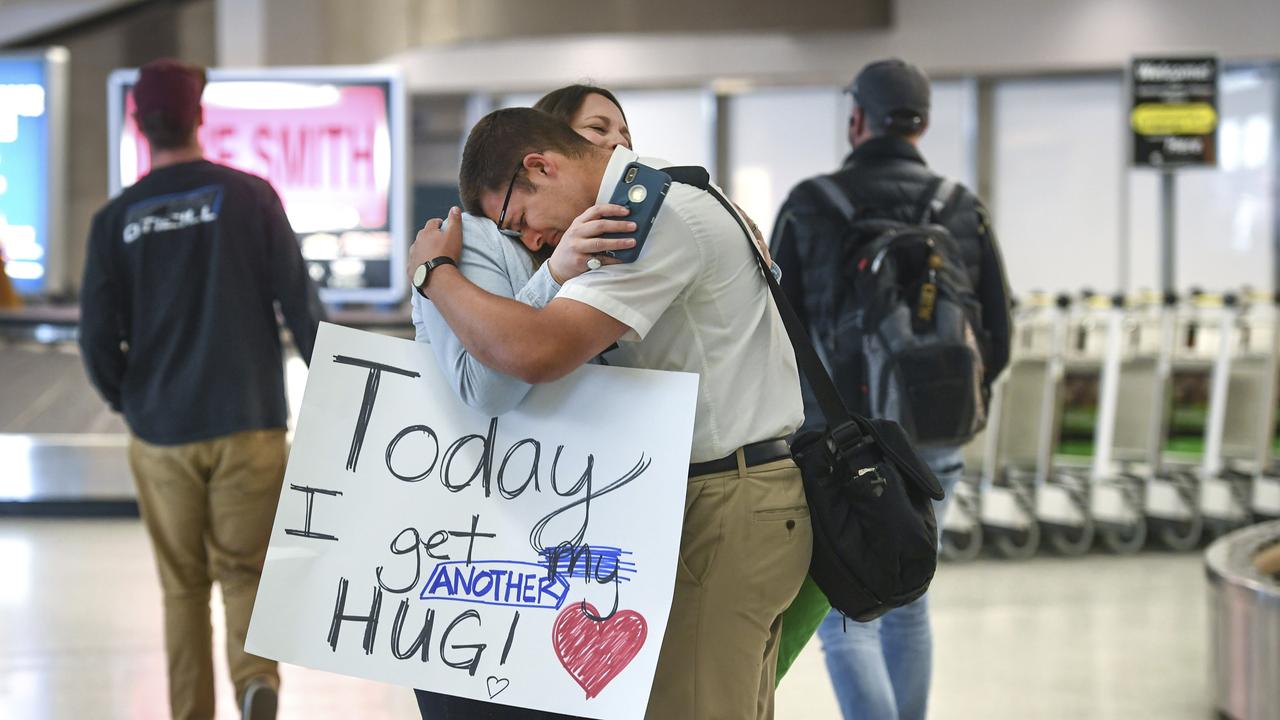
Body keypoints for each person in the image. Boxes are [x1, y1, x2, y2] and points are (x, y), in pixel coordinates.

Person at [410, 106, 811, 720]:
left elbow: (534, 352)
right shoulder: (682, 196)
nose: (534, 241)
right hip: (740, 494)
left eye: (520, 220)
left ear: (539, 165)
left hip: (723, 500)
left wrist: (435, 272)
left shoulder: (648, 214)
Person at [78, 58, 326, 720]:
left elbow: (96, 339)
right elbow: (302, 308)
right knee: (245, 572)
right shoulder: (250, 196)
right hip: (250, 423)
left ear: (138, 123)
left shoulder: (115, 220)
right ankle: (255, 684)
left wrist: (130, 402)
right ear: (200, 116)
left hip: (162, 433)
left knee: (183, 590)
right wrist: (339, 397)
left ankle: (192, 712)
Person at [769, 58, 1012, 720]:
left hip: (836, 442)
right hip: (934, 440)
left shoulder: (810, 205)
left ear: (856, 121)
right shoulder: (962, 208)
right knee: (910, 604)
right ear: (923, 122)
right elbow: (1001, 331)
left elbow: (776, 329)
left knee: (849, 615)